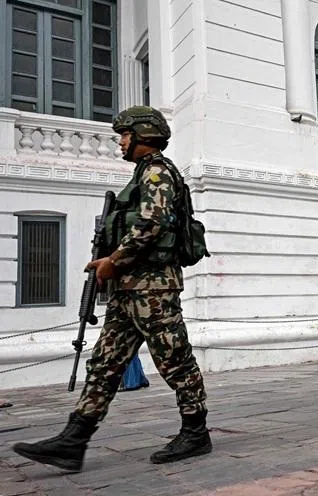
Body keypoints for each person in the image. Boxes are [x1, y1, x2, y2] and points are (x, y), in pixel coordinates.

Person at [13, 106, 211, 472]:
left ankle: (196, 431)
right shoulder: (141, 175)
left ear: (142, 135)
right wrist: (109, 265)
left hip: (153, 288)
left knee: (175, 360)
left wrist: (113, 261)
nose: (120, 142)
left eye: (124, 135)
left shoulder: (157, 171)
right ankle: (73, 440)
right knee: (105, 363)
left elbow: (153, 223)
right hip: (128, 290)